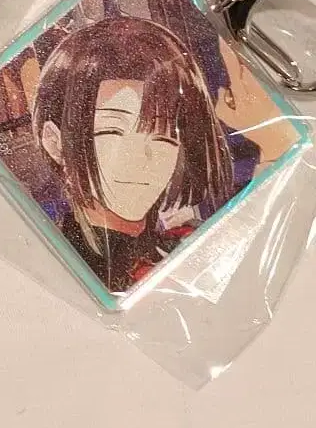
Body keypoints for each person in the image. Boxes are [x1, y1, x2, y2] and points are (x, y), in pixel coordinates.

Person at [31, 16, 236, 293]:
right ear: (55, 142)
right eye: (113, 131)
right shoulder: (64, 271)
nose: (143, 157)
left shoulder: (181, 242)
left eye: (164, 135)